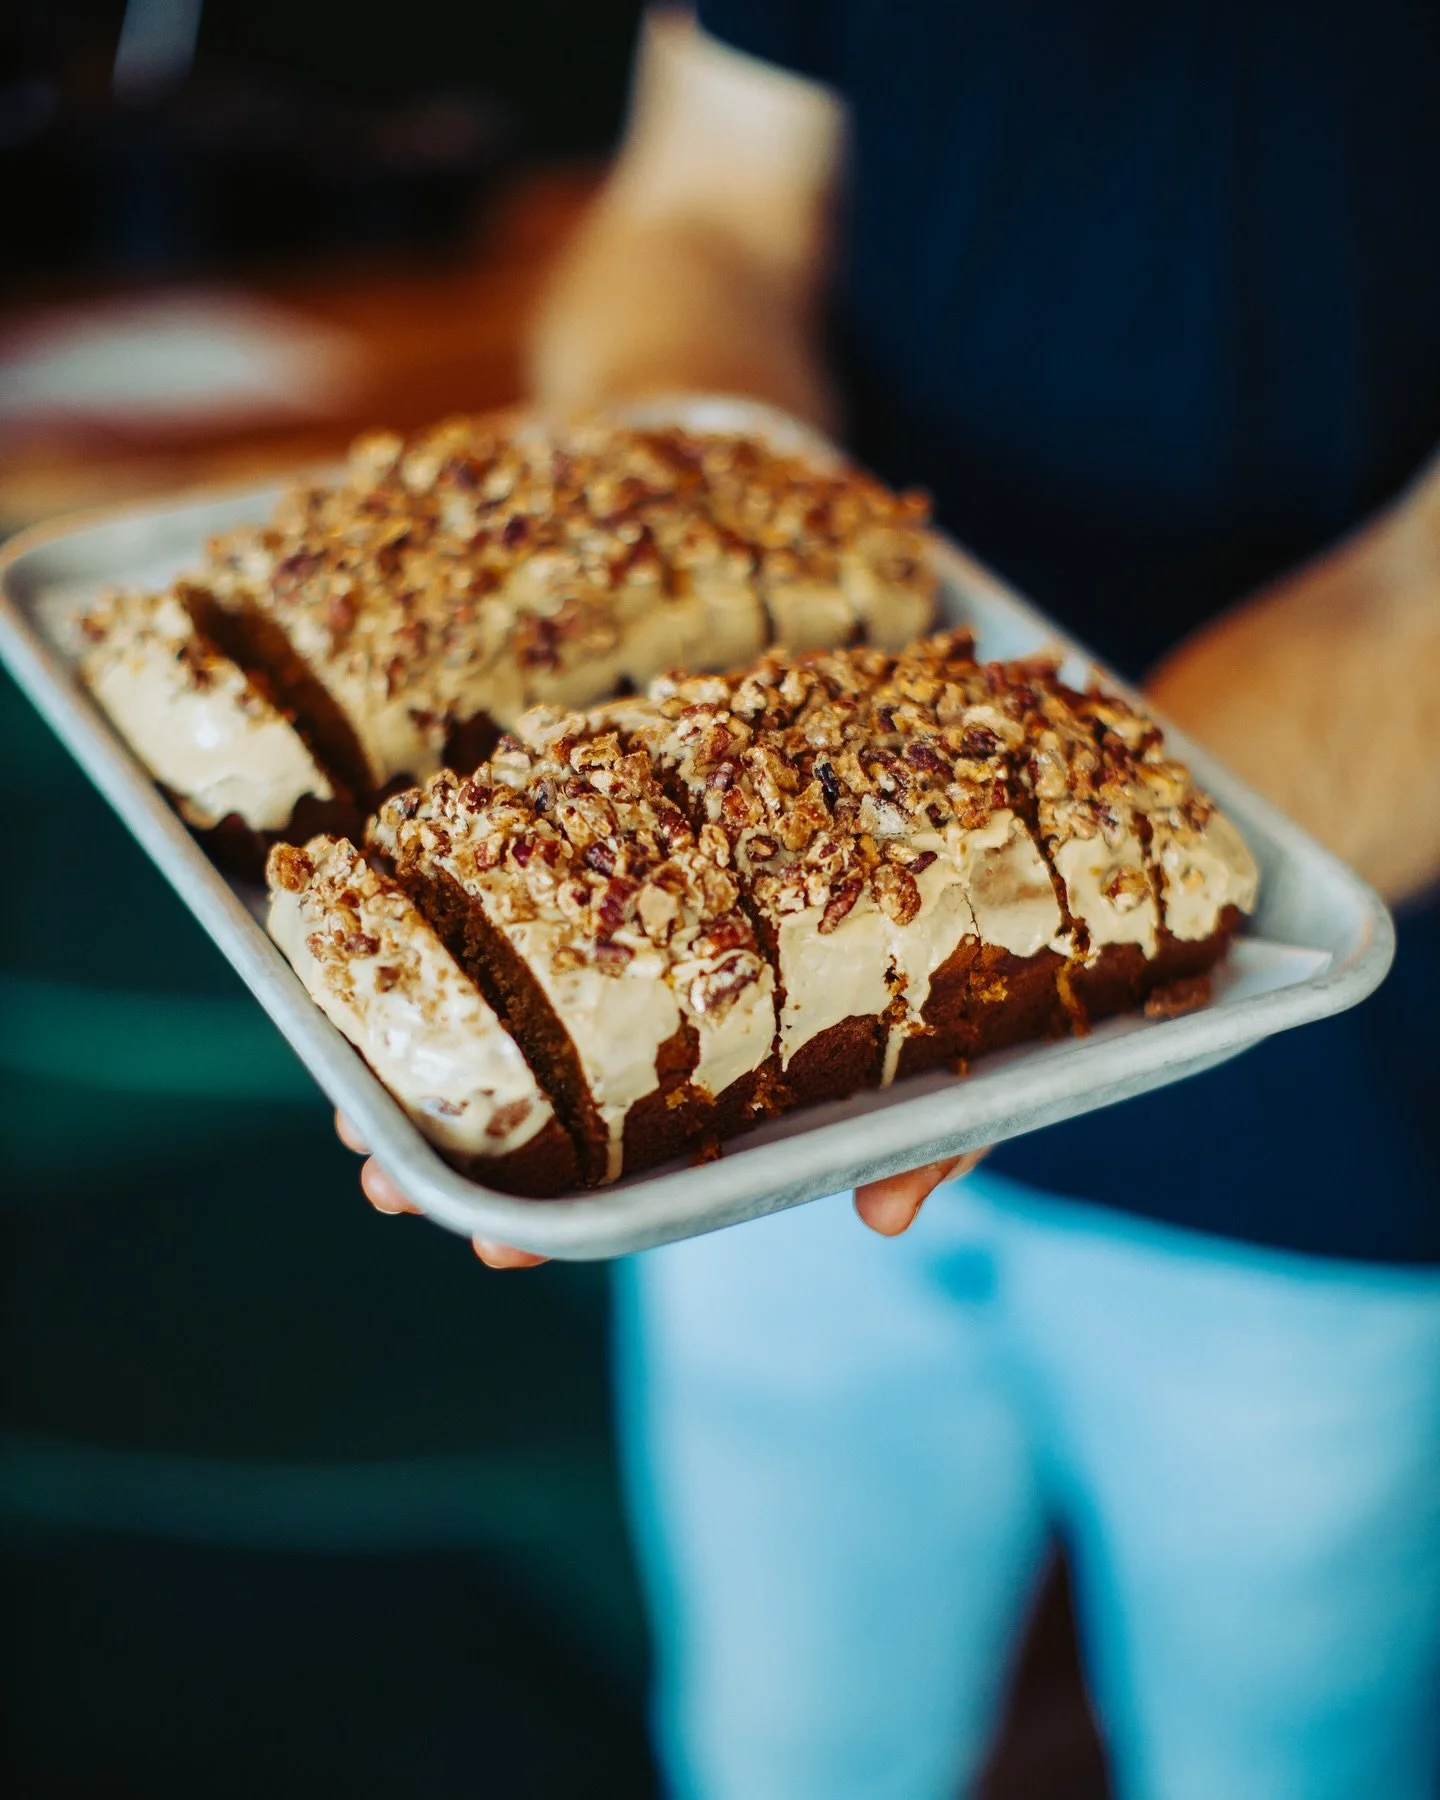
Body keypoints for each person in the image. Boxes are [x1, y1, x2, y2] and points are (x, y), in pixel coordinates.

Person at [344, 7, 1440, 1796]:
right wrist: (699, 636)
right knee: (788, 1746)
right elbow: (706, 212)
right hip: (763, 1095)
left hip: (1337, 1123)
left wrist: (983, 910)